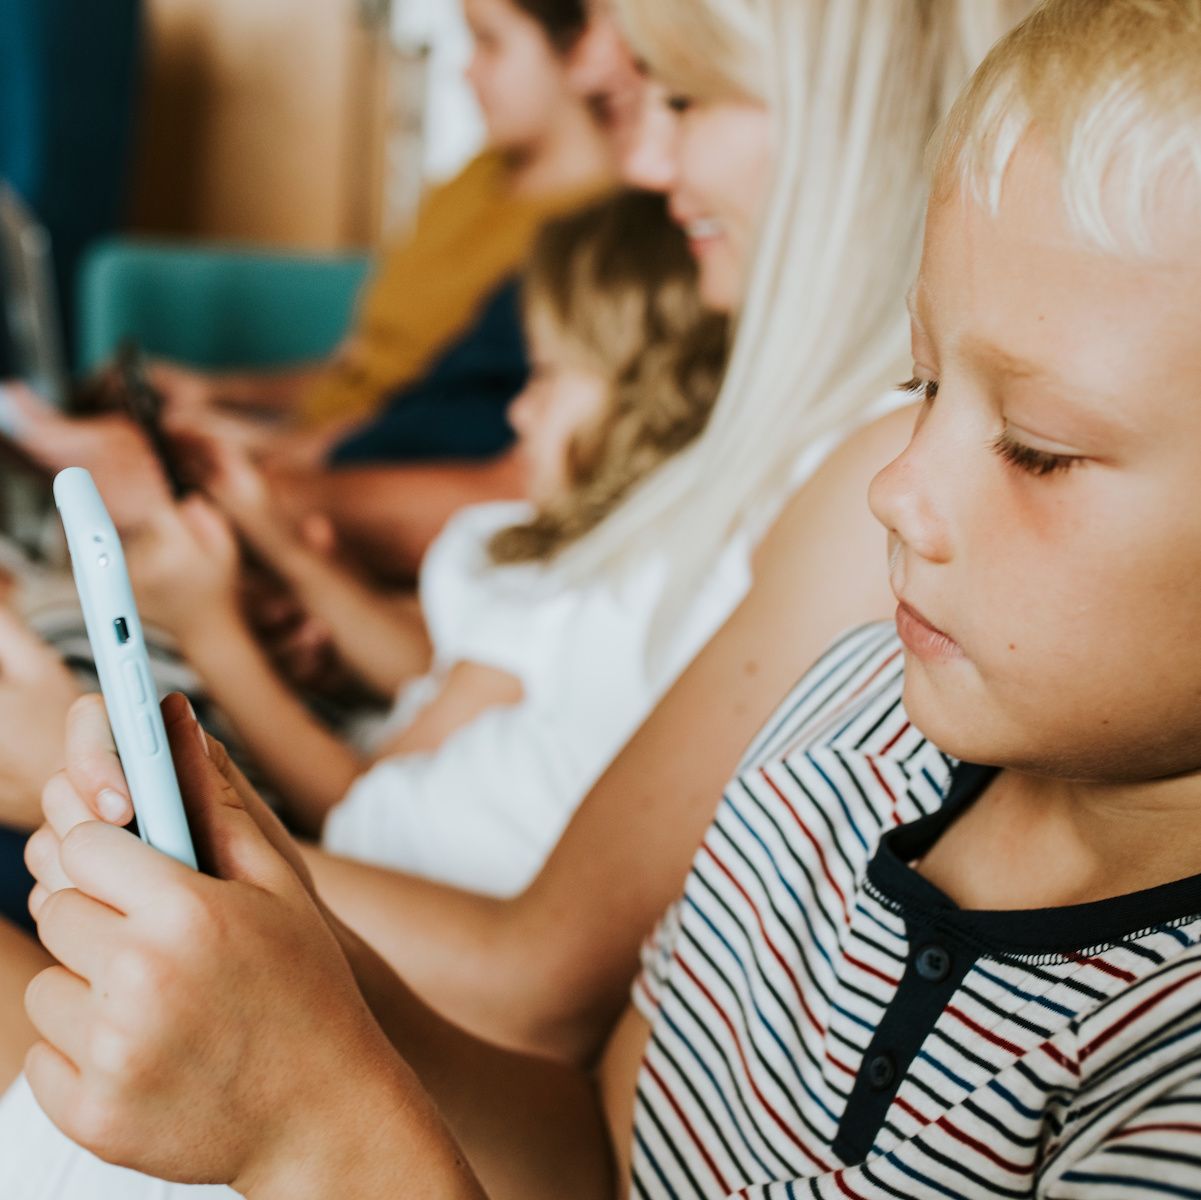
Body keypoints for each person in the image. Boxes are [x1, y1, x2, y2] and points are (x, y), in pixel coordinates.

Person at [11, 1, 1201, 1194]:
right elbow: (603, 1150)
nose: (893, 488)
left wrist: (313, 1125)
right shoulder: (846, 734)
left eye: (1038, 449)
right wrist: (322, 988)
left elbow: (496, 1011)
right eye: (919, 385)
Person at [115, 189, 730, 897]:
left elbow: (356, 807)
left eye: (549, 375)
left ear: (649, 395)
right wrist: (281, 544)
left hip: (362, 869)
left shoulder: (586, 590)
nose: (520, 410)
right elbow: (440, 672)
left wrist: (209, 632)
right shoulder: (603, 562)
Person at [3, 0, 613, 555]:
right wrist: (225, 394)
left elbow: (445, 406)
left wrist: (269, 455)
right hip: (318, 440)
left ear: (580, 49)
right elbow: (367, 362)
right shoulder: (474, 180)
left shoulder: (588, 249)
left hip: (378, 462)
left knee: (111, 486)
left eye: (491, 44)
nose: (465, 71)